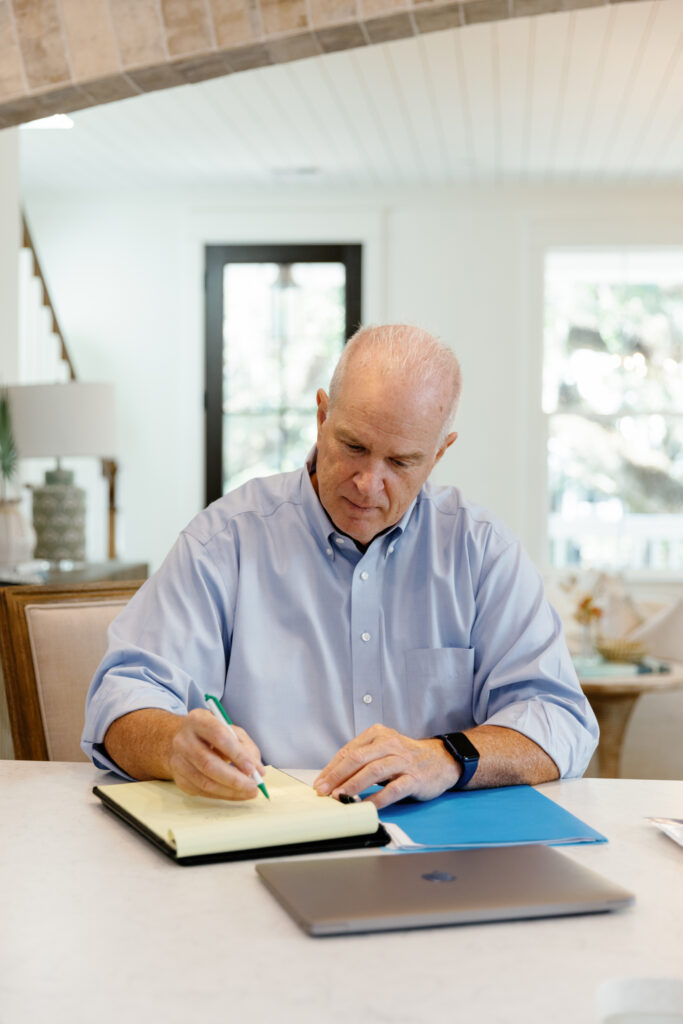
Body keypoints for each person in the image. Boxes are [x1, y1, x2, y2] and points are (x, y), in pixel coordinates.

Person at [82, 324, 598, 808]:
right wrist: (173, 745)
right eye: (353, 446)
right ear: (322, 416)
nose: (367, 484)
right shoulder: (226, 540)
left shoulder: (480, 550)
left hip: (436, 847)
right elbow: (121, 698)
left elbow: (560, 719)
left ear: (439, 453)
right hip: (267, 833)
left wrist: (445, 756)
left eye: (400, 462)